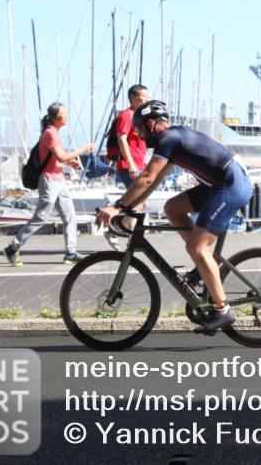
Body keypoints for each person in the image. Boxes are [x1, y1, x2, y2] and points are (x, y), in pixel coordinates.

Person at [95, 100, 253, 332]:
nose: (138, 135)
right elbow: (154, 180)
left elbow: (148, 177)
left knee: (197, 249)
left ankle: (223, 310)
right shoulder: (173, 138)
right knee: (173, 208)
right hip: (221, 183)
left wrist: (117, 207)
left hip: (231, 185)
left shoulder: (168, 139)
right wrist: (129, 206)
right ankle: (203, 267)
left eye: (139, 129)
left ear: (151, 123)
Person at [5, 103, 93, 266]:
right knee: (41, 217)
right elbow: (60, 157)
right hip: (49, 181)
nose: (67, 116)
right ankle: (13, 248)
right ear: (56, 117)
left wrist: (70, 162)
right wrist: (82, 149)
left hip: (58, 180)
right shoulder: (50, 133)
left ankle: (70, 252)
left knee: (69, 216)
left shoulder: (55, 133)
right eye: (64, 114)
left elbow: (57, 159)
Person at [115, 85, 149, 188]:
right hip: (129, 165)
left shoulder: (140, 117)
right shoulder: (126, 116)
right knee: (135, 199)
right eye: (144, 96)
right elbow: (122, 139)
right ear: (133, 98)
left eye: (148, 96)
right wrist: (131, 164)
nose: (147, 99)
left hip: (140, 164)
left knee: (138, 200)